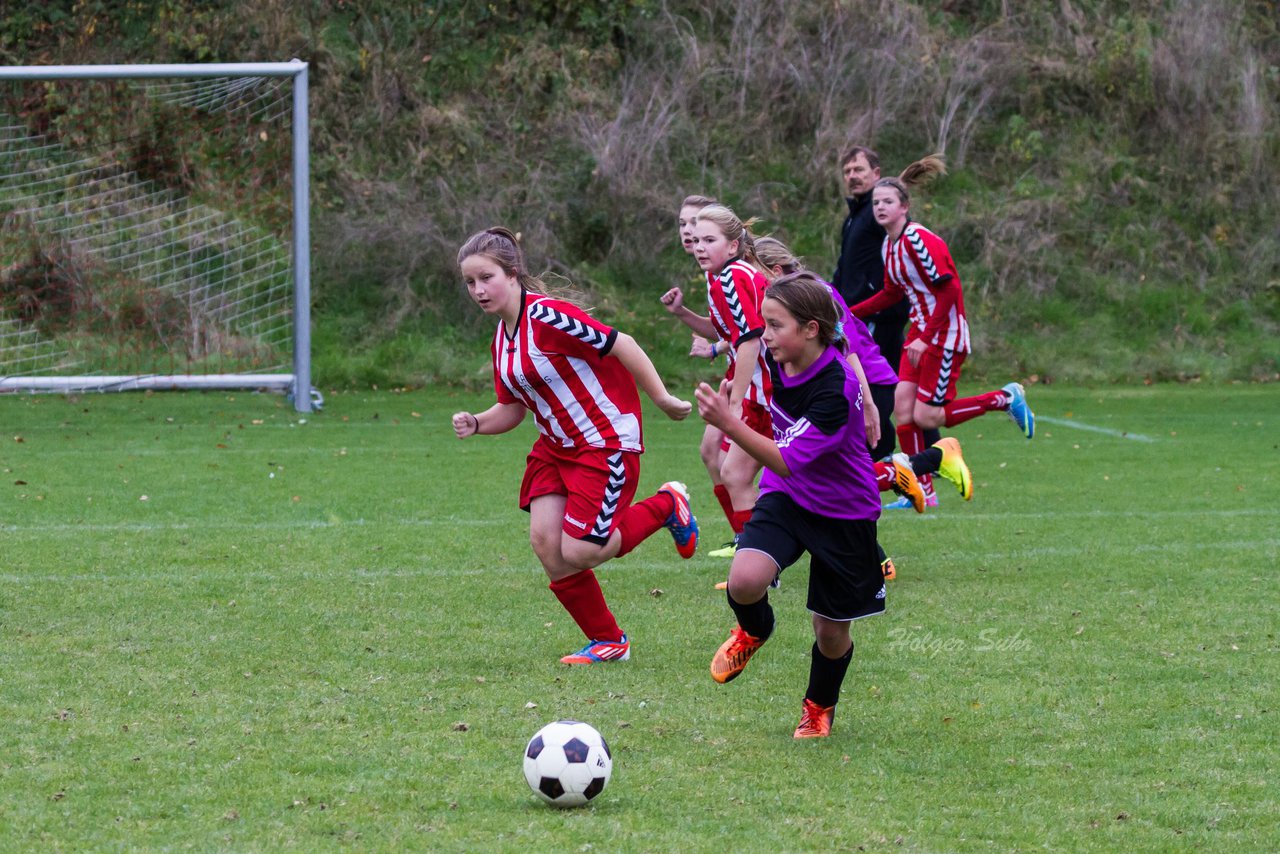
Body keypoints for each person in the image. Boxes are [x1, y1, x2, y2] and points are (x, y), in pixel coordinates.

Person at [451, 227, 700, 665]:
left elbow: (622, 343)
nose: (478, 290)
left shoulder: (548, 317)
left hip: (604, 442)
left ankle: (667, 504)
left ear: (512, 274)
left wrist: (661, 398)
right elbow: (510, 408)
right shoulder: (502, 339)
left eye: (486, 277)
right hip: (554, 446)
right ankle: (609, 641)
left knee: (581, 550)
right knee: (547, 543)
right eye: (470, 283)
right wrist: (477, 422)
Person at [696, 273, 886, 738]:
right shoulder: (777, 355)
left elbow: (784, 459)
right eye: (765, 323)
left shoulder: (834, 389)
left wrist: (728, 422)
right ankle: (754, 629)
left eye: (776, 325)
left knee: (830, 632)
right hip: (789, 497)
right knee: (743, 581)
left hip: (844, 511)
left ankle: (819, 707)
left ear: (811, 329)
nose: (766, 335)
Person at [755, 236, 971, 522]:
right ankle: (932, 459)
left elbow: (848, 345)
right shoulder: (785, 303)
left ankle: (929, 461)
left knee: (844, 478)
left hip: (866, 384)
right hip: (839, 388)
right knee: (828, 474)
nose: (751, 284)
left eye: (755, 273)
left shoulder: (816, 293)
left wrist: (867, 403)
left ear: (776, 270)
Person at [850, 178, 1035, 482]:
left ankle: (1003, 398)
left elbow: (950, 289)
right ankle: (920, 488)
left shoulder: (918, 239)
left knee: (928, 416)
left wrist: (926, 337)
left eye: (888, 202)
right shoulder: (888, 245)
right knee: (904, 411)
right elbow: (891, 293)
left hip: (944, 334)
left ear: (904, 207)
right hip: (919, 335)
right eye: (876, 202)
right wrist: (846, 311)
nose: (880, 207)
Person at [832, 146, 950, 507]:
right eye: (848, 170)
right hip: (857, 315)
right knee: (903, 399)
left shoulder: (872, 213)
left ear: (876, 172)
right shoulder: (854, 218)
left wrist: (899, 184)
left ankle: (910, 466)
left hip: (878, 321)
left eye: (859, 169)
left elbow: (889, 206)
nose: (852, 175)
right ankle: (928, 464)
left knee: (890, 397)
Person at [660, 204, 771, 559]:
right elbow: (735, 333)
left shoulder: (732, 277)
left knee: (802, 477)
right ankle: (753, 554)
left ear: (734, 245)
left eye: (709, 238)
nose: (697, 243)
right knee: (732, 470)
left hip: (770, 393)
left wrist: (734, 404)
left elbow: (751, 339)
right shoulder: (724, 275)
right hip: (762, 389)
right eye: (693, 234)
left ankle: (758, 561)